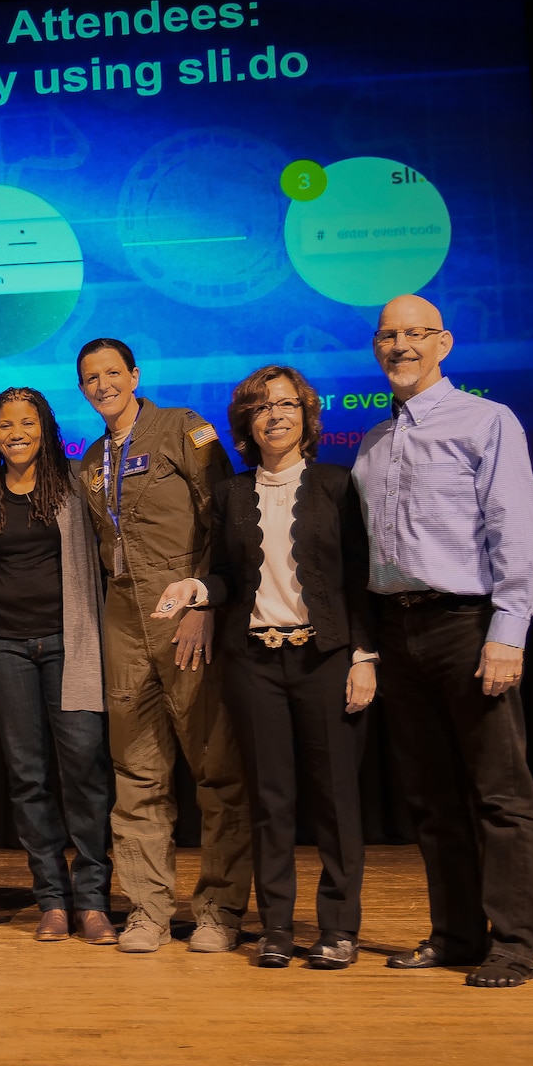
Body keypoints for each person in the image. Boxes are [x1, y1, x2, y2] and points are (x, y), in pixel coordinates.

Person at [152, 365, 376, 970]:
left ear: (306, 416)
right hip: (254, 662)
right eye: (261, 407)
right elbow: (230, 576)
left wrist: (364, 655)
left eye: (286, 405)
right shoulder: (232, 493)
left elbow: (359, 578)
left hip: (325, 660)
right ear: (246, 424)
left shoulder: (336, 484)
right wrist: (197, 587)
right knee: (271, 802)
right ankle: (276, 926)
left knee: (335, 801)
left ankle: (338, 929)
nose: (275, 415)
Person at [353, 294, 533, 988]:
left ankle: (515, 942)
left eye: (414, 334)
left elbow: (515, 531)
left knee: (499, 792)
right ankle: (457, 932)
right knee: (431, 797)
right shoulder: (372, 445)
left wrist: (508, 631)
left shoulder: (487, 421)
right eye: (387, 335)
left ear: (445, 343)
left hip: (467, 625)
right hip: (397, 630)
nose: (399, 345)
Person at [75, 337, 251, 954]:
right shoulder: (90, 459)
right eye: (91, 378)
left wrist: (205, 601)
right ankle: (147, 909)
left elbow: (223, 518)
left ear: (135, 375)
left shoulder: (181, 429)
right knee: (137, 773)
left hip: (186, 612)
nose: (103, 385)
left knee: (216, 771)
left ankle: (221, 912)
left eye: (113, 373)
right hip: (123, 617)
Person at [0, 387, 115, 944]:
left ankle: (93, 899)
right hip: (5, 649)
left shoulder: (75, 484)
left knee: (84, 772)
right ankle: (51, 899)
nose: (16, 433)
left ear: (46, 428)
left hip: (68, 646)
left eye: (27, 422)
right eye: (5, 425)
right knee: (28, 779)